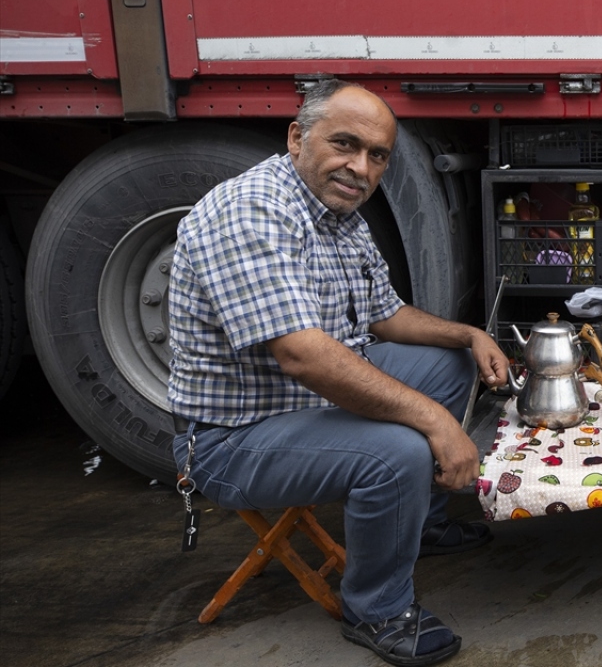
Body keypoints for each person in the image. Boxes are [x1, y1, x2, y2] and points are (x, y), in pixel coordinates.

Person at [167, 79, 507, 667]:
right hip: (233, 437)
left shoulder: (338, 212)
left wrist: (469, 334)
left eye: (377, 156)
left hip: (303, 402)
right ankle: (377, 609)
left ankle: (418, 524)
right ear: (298, 137)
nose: (361, 167)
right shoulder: (251, 210)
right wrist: (433, 423)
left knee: (451, 366)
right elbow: (302, 355)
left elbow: (387, 315)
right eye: (345, 144)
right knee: (398, 448)